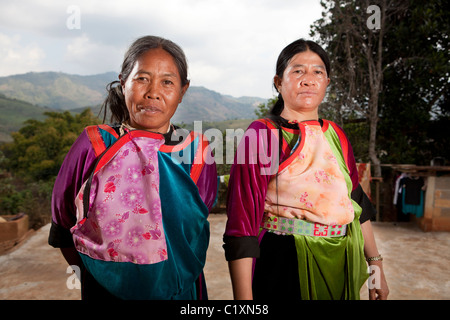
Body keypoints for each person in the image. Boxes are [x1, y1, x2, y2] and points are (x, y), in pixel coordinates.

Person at [49, 36, 217, 300]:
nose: (153, 92)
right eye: (142, 78)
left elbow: (194, 227)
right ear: (123, 81)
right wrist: (98, 274)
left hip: (182, 293)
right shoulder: (94, 145)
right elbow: (63, 222)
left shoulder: (196, 152)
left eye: (167, 82)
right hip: (105, 291)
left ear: (183, 90)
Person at [223, 39, 389, 300]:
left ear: (327, 82)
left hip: (341, 260)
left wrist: (375, 266)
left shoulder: (336, 135)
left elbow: (356, 202)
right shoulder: (263, 134)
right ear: (279, 82)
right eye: (298, 71)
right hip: (285, 263)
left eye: (318, 72)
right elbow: (242, 221)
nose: (308, 79)